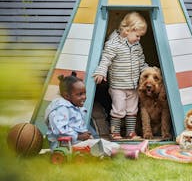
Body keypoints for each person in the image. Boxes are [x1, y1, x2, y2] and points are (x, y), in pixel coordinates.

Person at [93, 11, 148, 140]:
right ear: (128, 30)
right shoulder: (113, 44)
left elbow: (141, 61)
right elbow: (106, 59)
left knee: (132, 110)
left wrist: (147, 70)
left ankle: (130, 133)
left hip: (133, 85)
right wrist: (101, 71)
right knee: (118, 109)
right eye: (138, 35)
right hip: (118, 85)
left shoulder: (137, 46)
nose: (139, 39)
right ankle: (115, 132)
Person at [45, 71, 97, 150]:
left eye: (84, 93)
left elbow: (75, 125)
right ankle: (117, 150)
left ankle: (114, 150)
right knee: (101, 146)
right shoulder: (61, 109)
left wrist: (84, 133)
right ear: (67, 96)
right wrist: (79, 136)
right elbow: (59, 130)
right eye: (80, 94)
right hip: (64, 146)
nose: (84, 97)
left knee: (98, 144)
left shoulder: (73, 106)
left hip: (76, 142)